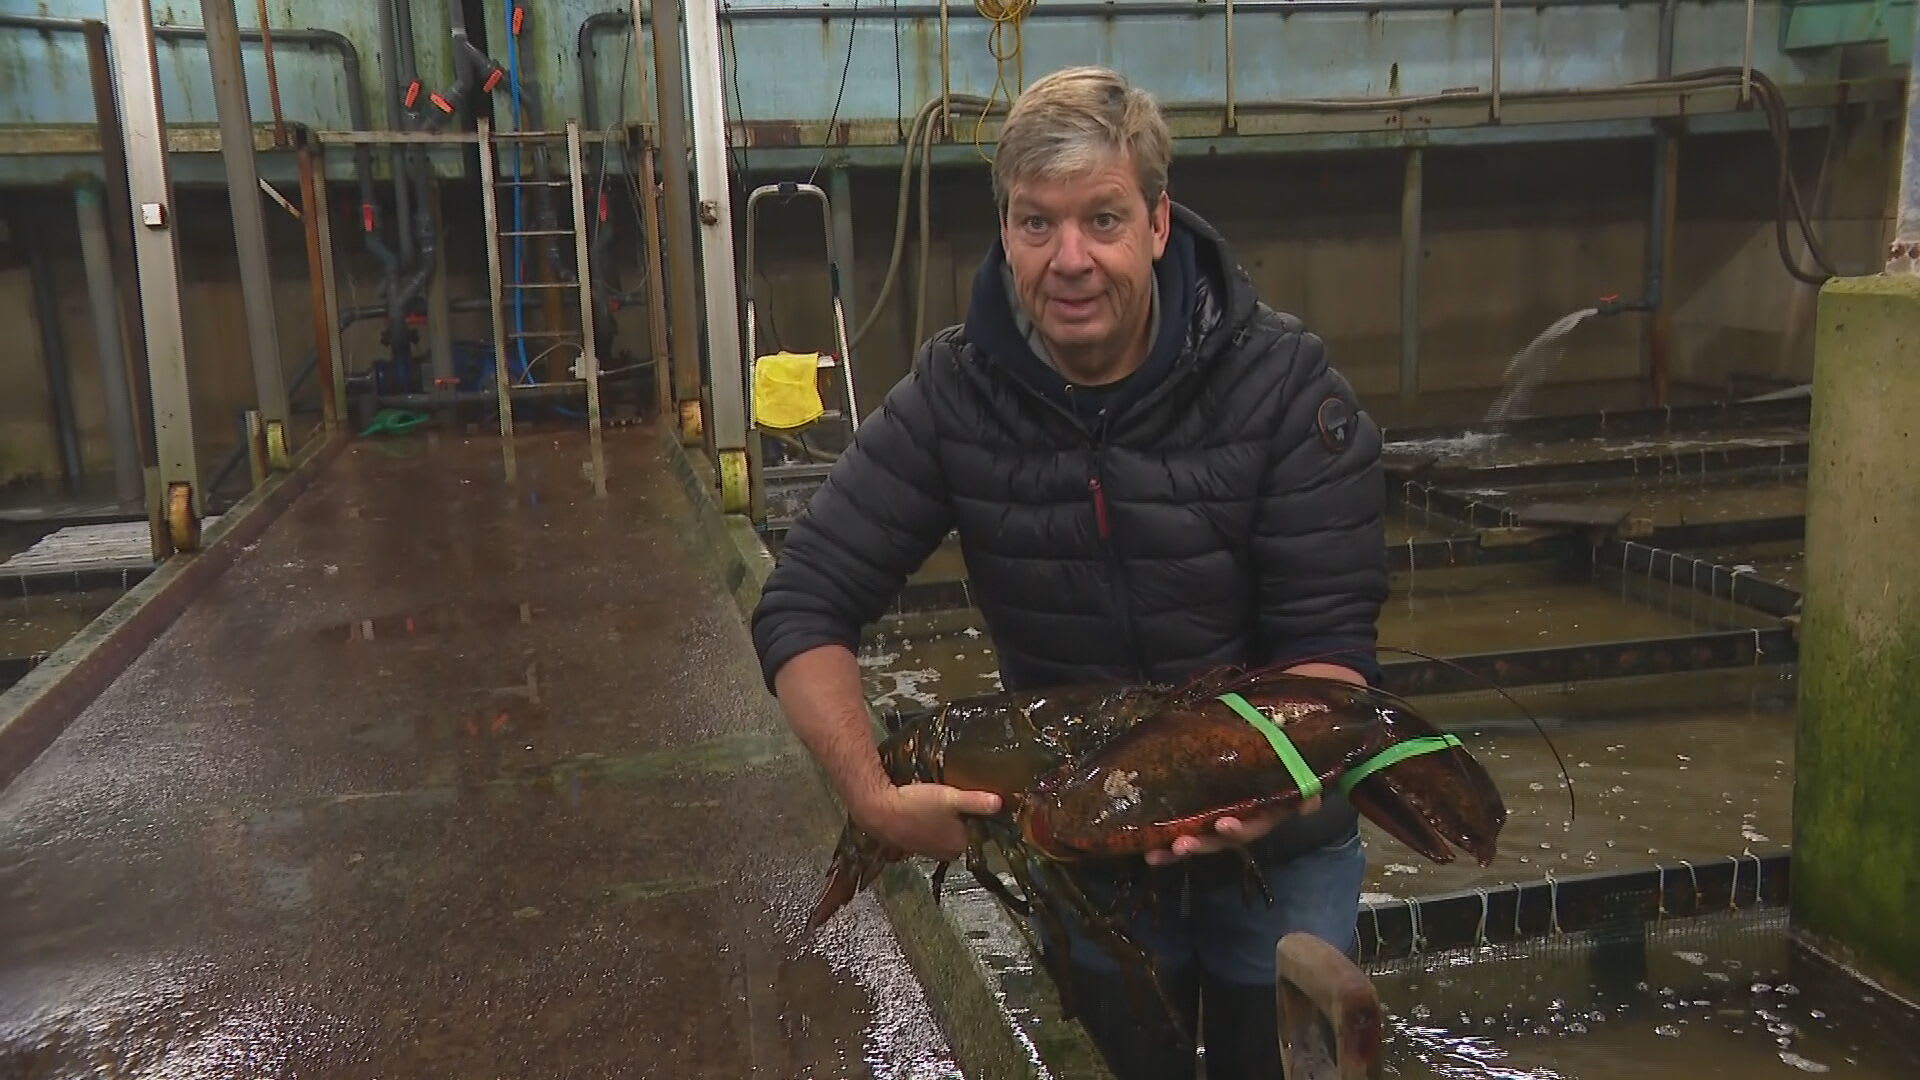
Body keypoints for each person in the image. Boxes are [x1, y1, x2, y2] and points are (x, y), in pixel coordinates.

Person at [751, 65, 1388, 1080]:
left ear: (1160, 222)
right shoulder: (957, 395)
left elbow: (1334, 662)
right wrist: (871, 796)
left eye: (1103, 218)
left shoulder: (1285, 388)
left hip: (1280, 843)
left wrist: (1279, 792)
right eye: (1036, 224)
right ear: (1004, 231)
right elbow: (803, 602)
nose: (1071, 260)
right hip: (1090, 859)